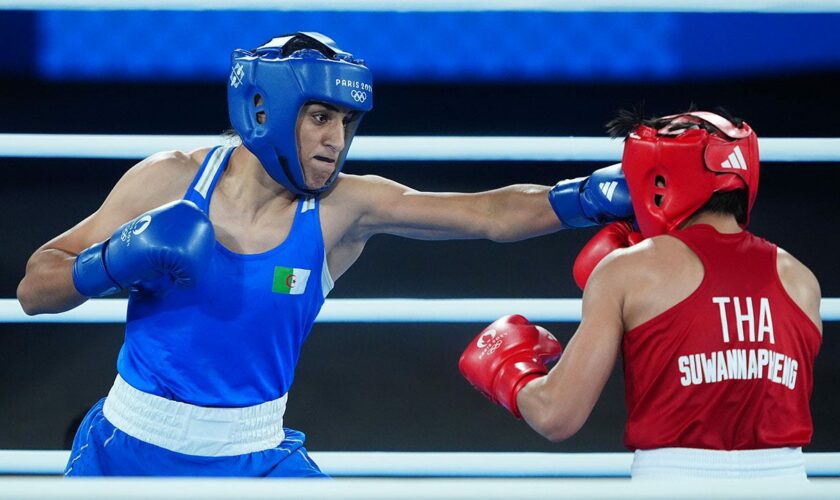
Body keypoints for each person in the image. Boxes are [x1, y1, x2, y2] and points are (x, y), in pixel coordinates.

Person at [16, 32, 632, 477]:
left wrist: (585, 198)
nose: (336, 140)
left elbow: (488, 214)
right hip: (124, 448)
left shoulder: (344, 208)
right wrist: (108, 263)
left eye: (345, 121)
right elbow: (34, 289)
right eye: (318, 117)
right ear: (264, 109)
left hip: (254, 458)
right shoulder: (169, 181)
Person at [459, 109, 823, 480]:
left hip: (673, 481)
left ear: (656, 181)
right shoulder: (801, 281)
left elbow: (556, 415)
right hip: (787, 481)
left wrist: (512, 373)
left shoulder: (629, 270)